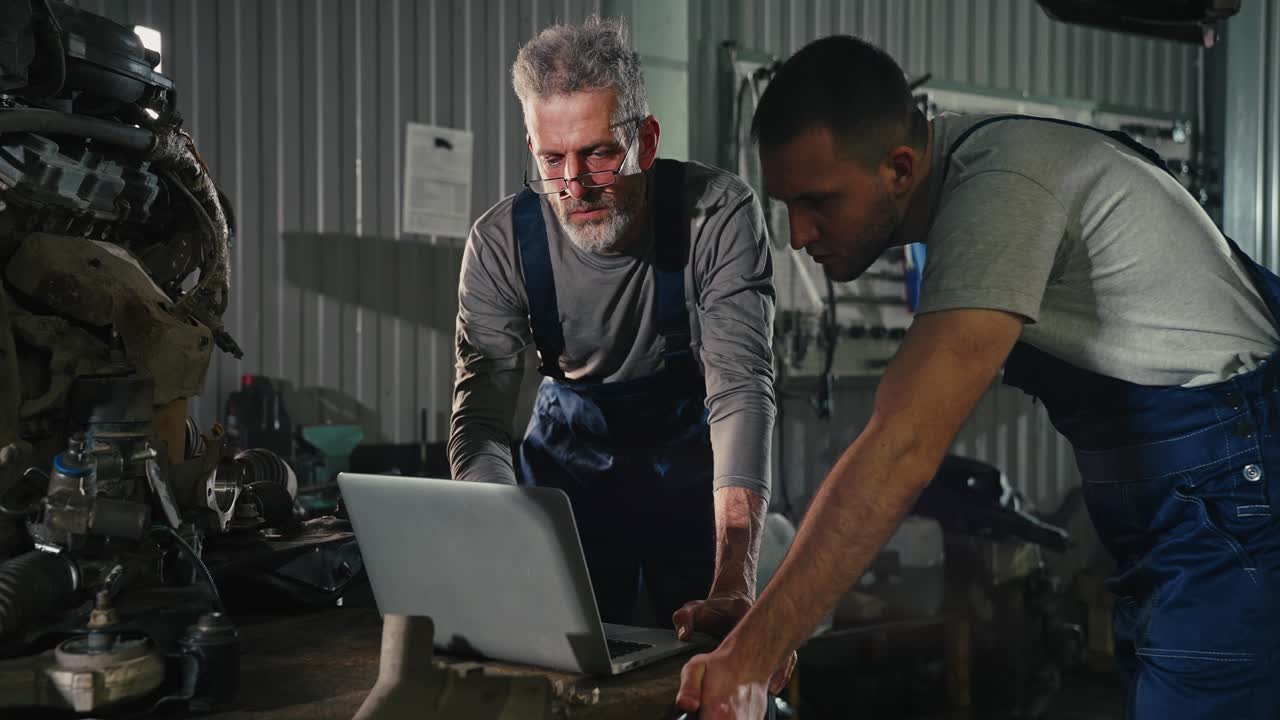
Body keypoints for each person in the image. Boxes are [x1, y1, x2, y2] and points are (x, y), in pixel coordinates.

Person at [676, 34, 1280, 720]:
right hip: (1182, 504)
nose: (798, 233)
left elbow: (901, 445)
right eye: (785, 204)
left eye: (818, 201)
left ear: (900, 169)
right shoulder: (974, 174)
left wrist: (754, 652)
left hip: (1233, 490)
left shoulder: (1002, 192)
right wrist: (771, 630)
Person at [448, 17, 778, 639]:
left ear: (645, 142)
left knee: (711, 663)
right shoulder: (499, 244)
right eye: (552, 159)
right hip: (568, 485)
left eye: (598, 153)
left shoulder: (718, 213)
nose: (573, 186)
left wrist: (735, 574)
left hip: (692, 485)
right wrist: (500, 537)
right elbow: (481, 422)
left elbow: (739, 388)